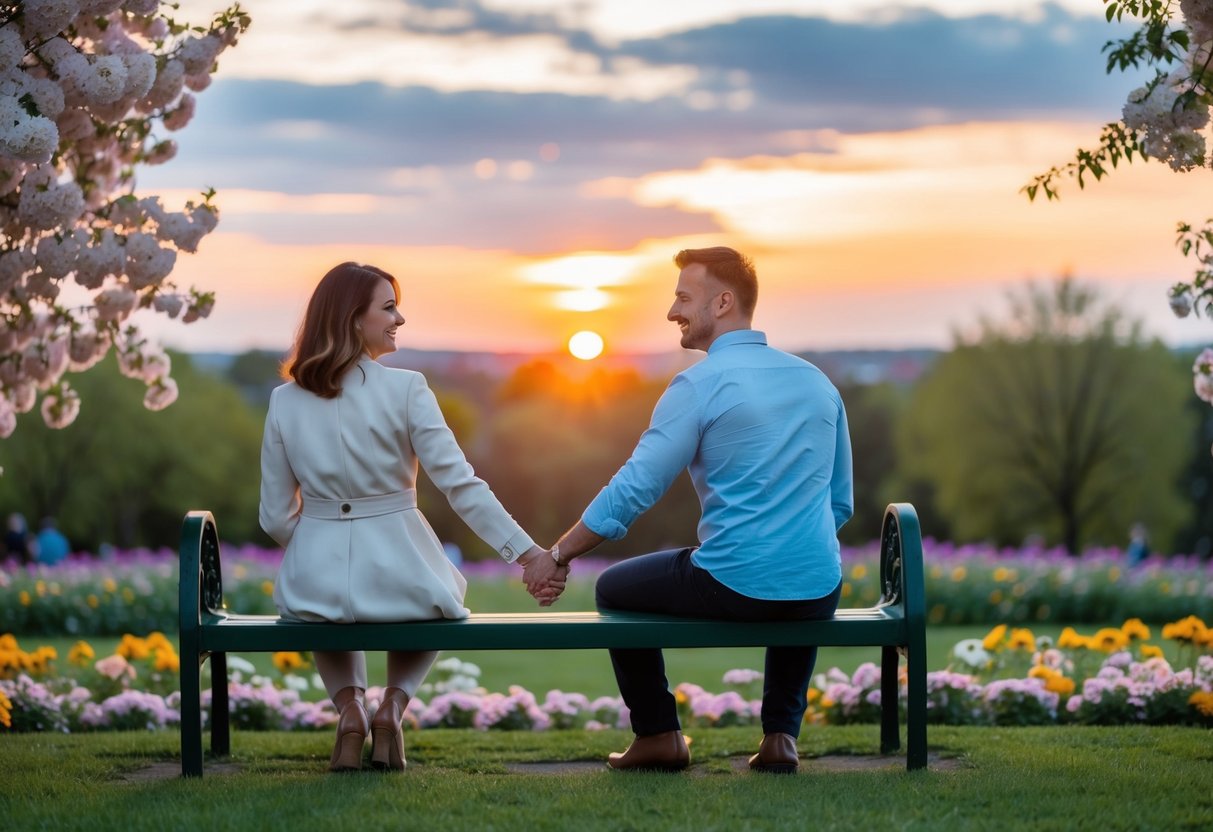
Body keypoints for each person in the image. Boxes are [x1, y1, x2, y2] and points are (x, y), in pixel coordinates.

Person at [524, 246, 852, 773]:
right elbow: (840, 501)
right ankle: (780, 738)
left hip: (733, 583)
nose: (671, 311)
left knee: (614, 588)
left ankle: (658, 734)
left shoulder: (700, 384)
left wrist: (558, 554)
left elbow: (637, 485)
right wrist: (785, 544)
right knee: (798, 574)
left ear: (722, 303)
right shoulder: (817, 382)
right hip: (819, 583)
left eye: (682, 297)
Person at [259, 262, 558, 773]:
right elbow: (460, 485)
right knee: (439, 600)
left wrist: (317, 542)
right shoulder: (407, 388)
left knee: (328, 610)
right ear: (355, 319)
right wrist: (528, 553)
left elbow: (273, 516)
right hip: (402, 568)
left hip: (313, 578)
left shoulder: (284, 400)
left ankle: (351, 711)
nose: (400, 318)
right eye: (389, 306)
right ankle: (391, 710)